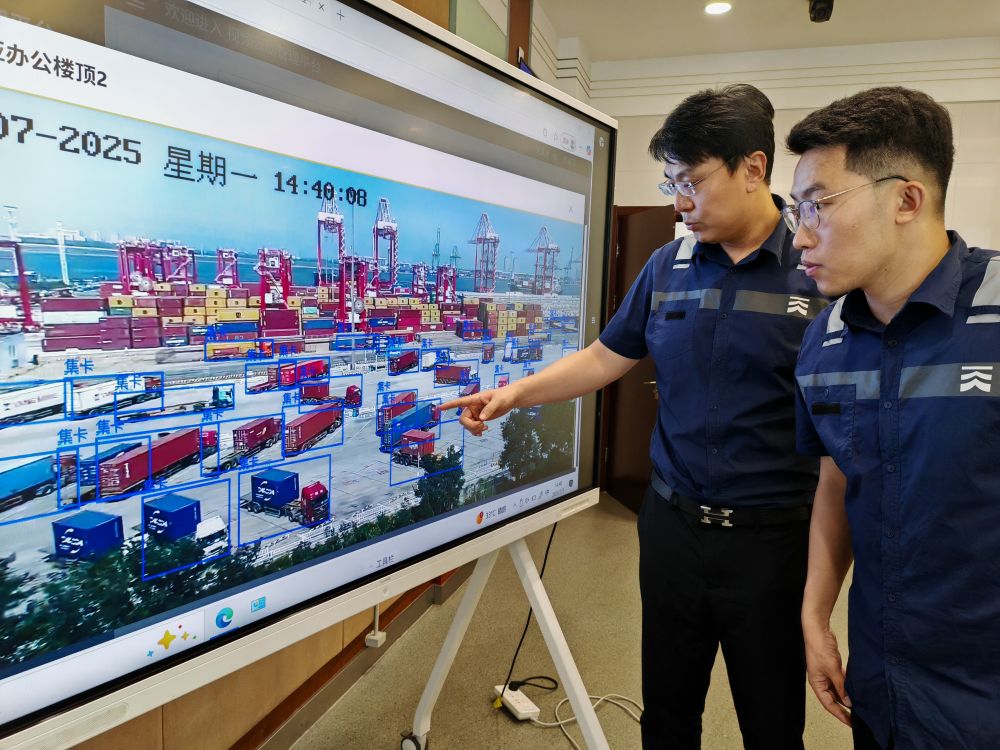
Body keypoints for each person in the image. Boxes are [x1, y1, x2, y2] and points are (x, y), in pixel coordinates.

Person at [442, 84, 827, 750]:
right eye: (670, 183)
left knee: (772, 721)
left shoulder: (816, 268)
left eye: (692, 182)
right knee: (668, 712)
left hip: (773, 540)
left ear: (754, 168)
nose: (679, 203)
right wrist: (513, 394)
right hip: (672, 528)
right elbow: (604, 357)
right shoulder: (666, 267)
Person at [786, 86, 1000, 750]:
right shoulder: (824, 343)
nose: (800, 235)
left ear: (907, 200)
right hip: (882, 678)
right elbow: (837, 478)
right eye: (796, 209)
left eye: (819, 205)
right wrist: (816, 613)